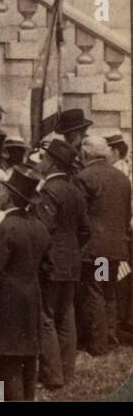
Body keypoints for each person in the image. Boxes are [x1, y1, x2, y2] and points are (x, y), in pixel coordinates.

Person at [0, 166, 51, 401]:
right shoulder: (40, 227)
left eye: (3, 191)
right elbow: (47, 266)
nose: (0, 194)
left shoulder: (6, 227)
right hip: (32, 297)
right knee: (29, 361)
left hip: (8, 302)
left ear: (9, 196)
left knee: (9, 364)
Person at [32, 138, 88, 388]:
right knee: (66, 315)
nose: (40, 162)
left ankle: (52, 376)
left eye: (43, 158)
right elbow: (85, 230)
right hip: (72, 261)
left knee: (46, 317)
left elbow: (44, 229)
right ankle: (66, 372)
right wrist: (72, 249)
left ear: (52, 162)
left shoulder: (49, 191)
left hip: (52, 262)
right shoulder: (76, 190)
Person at [76, 131, 132, 356]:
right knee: (109, 290)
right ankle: (110, 337)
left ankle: (98, 344)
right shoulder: (122, 178)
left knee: (96, 291)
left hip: (95, 250)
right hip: (116, 247)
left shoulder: (85, 177)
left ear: (85, 153)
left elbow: (80, 216)